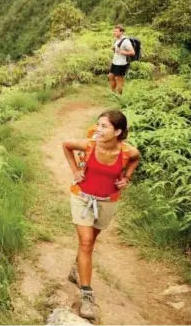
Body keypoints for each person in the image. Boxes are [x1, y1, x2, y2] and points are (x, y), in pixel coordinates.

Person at [61, 110, 140, 320]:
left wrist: (127, 178)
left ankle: (77, 267)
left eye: (104, 126)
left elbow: (136, 158)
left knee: (90, 242)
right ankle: (87, 295)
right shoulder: (88, 145)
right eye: (98, 125)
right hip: (82, 198)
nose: (99, 129)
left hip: (107, 202)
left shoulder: (126, 152)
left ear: (118, 131)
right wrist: (74, 171)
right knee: (86, 242)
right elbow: (66, 145)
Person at [109, 25, 136, 95]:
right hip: (115, 62)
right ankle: (113, 93)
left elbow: (132, 52)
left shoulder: (126, 41)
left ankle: (119, 97)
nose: (114, 32)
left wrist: (121, 51)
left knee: (119, 80)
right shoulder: (117, 40)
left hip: (121, 64)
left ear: (122, 32)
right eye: (114, 31)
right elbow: (117, 51)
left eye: (116, 31)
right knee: (110, 76)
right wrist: (114, 50)